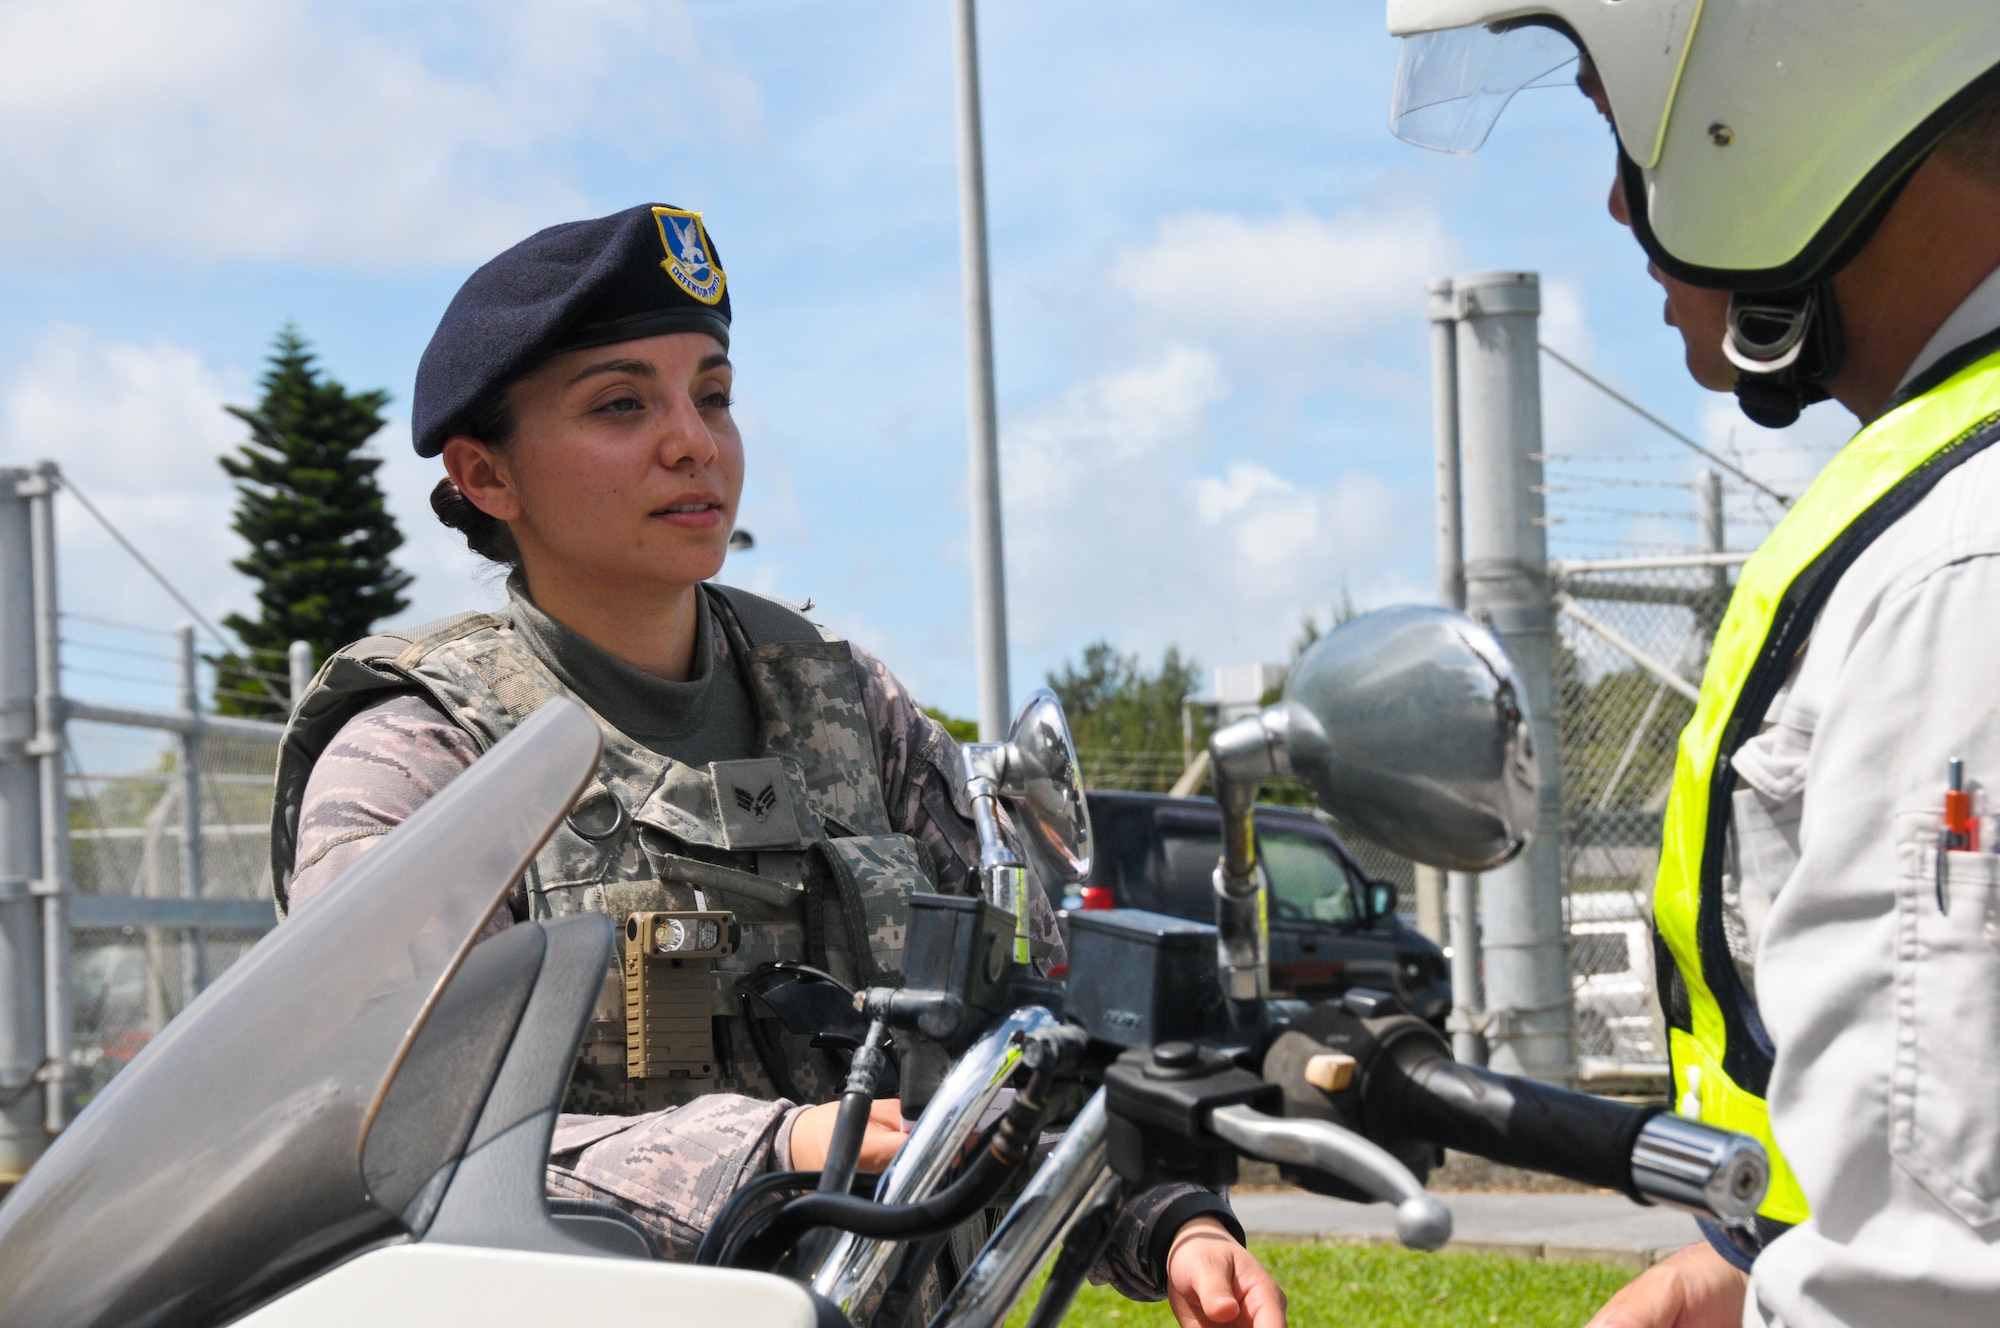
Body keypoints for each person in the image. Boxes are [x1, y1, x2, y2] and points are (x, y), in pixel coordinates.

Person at [269, 203, 1286, 1328]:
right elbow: (388, 1138)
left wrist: (1171, 1218)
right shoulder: (420, 751)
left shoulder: (848, 704)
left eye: (711, 394)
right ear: (486, 475)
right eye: (620, 404)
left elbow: (1032, 1031)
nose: (692, 440)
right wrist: (780, 1144)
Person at [1384, 4, 2000, 1325]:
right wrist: (1746, 1265)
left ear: (1785, 111)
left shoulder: (1966, 566)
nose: (1618, 206)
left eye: (1625, 132)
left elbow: (1943, 1285)